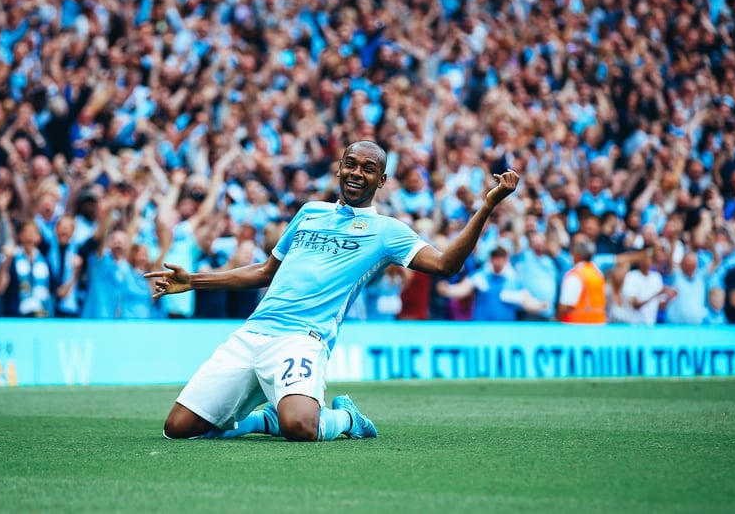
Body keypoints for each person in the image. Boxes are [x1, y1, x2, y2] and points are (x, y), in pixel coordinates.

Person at [146, 141, 520, 442]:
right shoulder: (310, 212)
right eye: (350, 164)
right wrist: (193, 281)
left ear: (383, 180)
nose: (357, 173)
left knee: (302, 428)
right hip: (253, 333)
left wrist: (487, 206)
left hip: (302, 339)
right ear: (339, 168)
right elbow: (264, 272)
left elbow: (445, 266)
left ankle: (345, 417)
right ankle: (265, 421)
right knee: (177, 430)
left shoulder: (388, 231)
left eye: (368, 168)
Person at [557, 235, 607, 324]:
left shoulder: (576, 275)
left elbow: (566, 305)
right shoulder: (598, 274)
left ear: (577, 255)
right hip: (598, 325)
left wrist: (557, 320)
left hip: (577, 327)